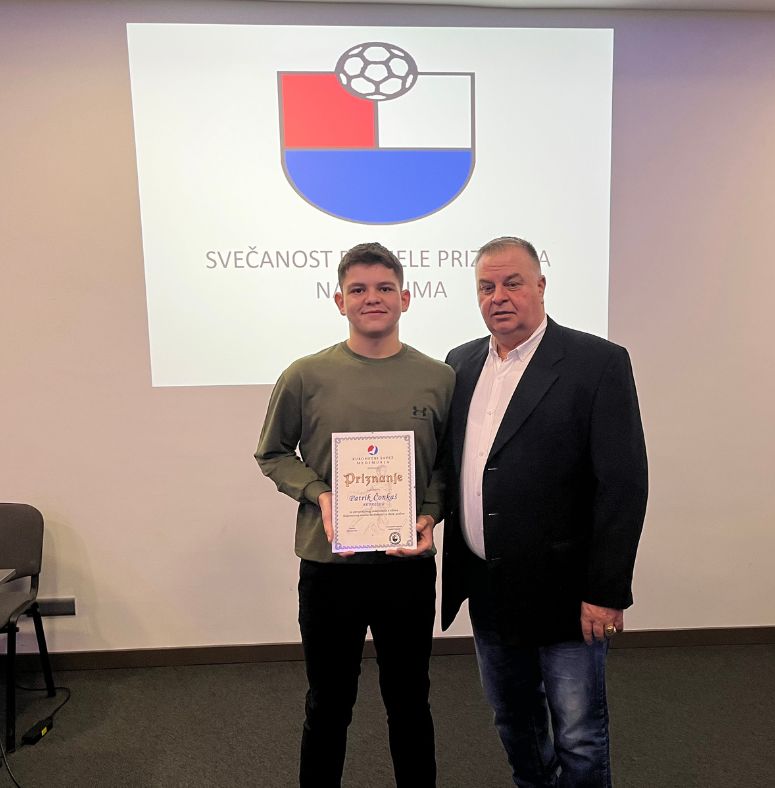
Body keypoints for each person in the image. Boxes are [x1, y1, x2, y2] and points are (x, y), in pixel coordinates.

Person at [441, 236, 648, 788]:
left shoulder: (597, 363)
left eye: (512, 283)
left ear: (540, 285)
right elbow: (455, 466)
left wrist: (606, 591)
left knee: (579, 735)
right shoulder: (460, 364)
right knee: (515, 722)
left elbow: (623, 486)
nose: (499, 297)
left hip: (566, 592)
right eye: (486, 286)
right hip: (488, 587)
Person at [255, 242, 454, 787]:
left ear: (406, 298)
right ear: (339, 301)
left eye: (385, 288)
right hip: (329, 568)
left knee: (410, 702)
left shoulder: (439, 378)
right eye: (359, 289)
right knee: (328, 703)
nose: (373, 298)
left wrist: (429, 515)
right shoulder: (305, 375)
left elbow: (447, 465)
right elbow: (272, 453)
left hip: (406, 565)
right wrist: (320, 493)